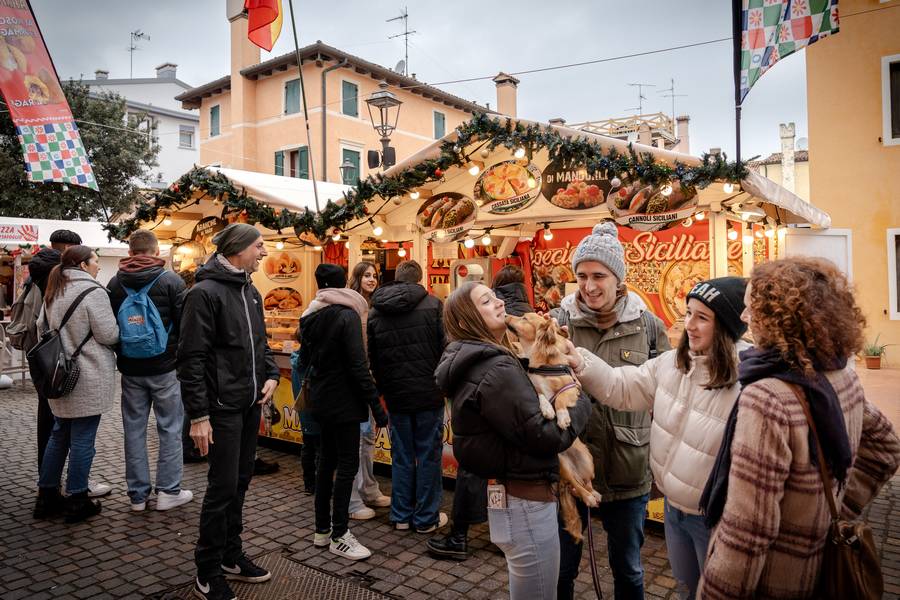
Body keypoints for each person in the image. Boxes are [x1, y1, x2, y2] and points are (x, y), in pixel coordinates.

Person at [697, 257, 900, 599]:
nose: (745, 319)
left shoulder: (766, 397)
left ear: (779, 318)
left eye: (752, 309)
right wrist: (831, 512)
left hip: (774, 580)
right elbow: (887, 447)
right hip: (817, 565)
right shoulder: (840, 374)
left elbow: (748, 532)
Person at [565, 277, 749, 599]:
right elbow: (620, 386)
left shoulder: (745, 383)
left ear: (727, 327)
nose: (689, 325)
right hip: (673, 510)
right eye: (688, 313)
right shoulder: (672, 364)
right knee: (686, 587)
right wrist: (580, 360)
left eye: (702, 317)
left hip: (714, 519)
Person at [435, 281, 591, 600]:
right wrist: (582, 400)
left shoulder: (483, 361)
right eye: (486, 301)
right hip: (527, 500)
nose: (499, 303)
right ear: (467, 320)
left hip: (511, 494)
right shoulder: (496, 367)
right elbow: (546, 436)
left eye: (495, 297)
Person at [555, 221, 671, 600]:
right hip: (572, 467)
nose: (589, 286)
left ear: (618, 278)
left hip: (628, 467)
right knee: (563, 566)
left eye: (599, 276)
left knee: (628, 569)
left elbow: (667, 397)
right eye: (582, 276)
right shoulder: (560, 323)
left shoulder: (649, 327)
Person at [178, 224, 280, 600]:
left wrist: (269, 374)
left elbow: (260, 343)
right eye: (259, 245)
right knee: (221, 489)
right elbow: (190, 359)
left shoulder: (250, 291)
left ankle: (230, 556)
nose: (264, 252)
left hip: (249, 404)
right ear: (238, 248)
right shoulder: (203, 294)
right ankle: (207, 570)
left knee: (240, 482)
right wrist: (199, 416)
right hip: (220, 409)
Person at [296, 263, 388, 561]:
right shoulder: (347, 315)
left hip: (321, 401)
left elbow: (304, 360)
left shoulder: (311, 315)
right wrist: (375, 404)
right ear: (342, 284)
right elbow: (358, 365)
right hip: (344, 401)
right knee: (346, 466)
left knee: (326, 465)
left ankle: (322, 530)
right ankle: (340, 534)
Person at [32, 246, 119, 523]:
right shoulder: (93, 292)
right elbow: (108, 334)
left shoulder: (53, 289)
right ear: (82, 265)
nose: (98, 266)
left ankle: (46, 496)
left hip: (58, 374)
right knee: (83, 439)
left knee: (59, 435)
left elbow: (40, 326)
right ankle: (78, 499)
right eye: (95, 261)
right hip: (86, 375)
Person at [108, 229, 192, 512]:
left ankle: (137, 497)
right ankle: (169, 491)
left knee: (133, 430)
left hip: (131, 369)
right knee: (169, 428)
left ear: (130, 253)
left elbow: (112, 329)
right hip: (166, 368)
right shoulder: (171, 280)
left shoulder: (115, 283)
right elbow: (184, 327)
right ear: (157, 252)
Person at [367, 260, 447, 532]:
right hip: (429, 393)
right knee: (428, 455)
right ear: (419, 279)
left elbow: (374, 359)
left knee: (401, 455)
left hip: (396, 396)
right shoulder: (434, 305)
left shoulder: (376, 311)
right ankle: (425, 518)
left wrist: (385, 387)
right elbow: (445, 350)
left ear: (397, 279)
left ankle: (400, 515)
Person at [346, 261, 391, 520]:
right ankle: (355, 495)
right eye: (366, 275)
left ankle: (369, 487)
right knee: (356, 439)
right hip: (354, 382)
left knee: (367, 439)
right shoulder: (351, 306)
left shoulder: (375, 307)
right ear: (357, 278)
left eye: (374, 275)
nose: (372, 280)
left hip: (370, 381)